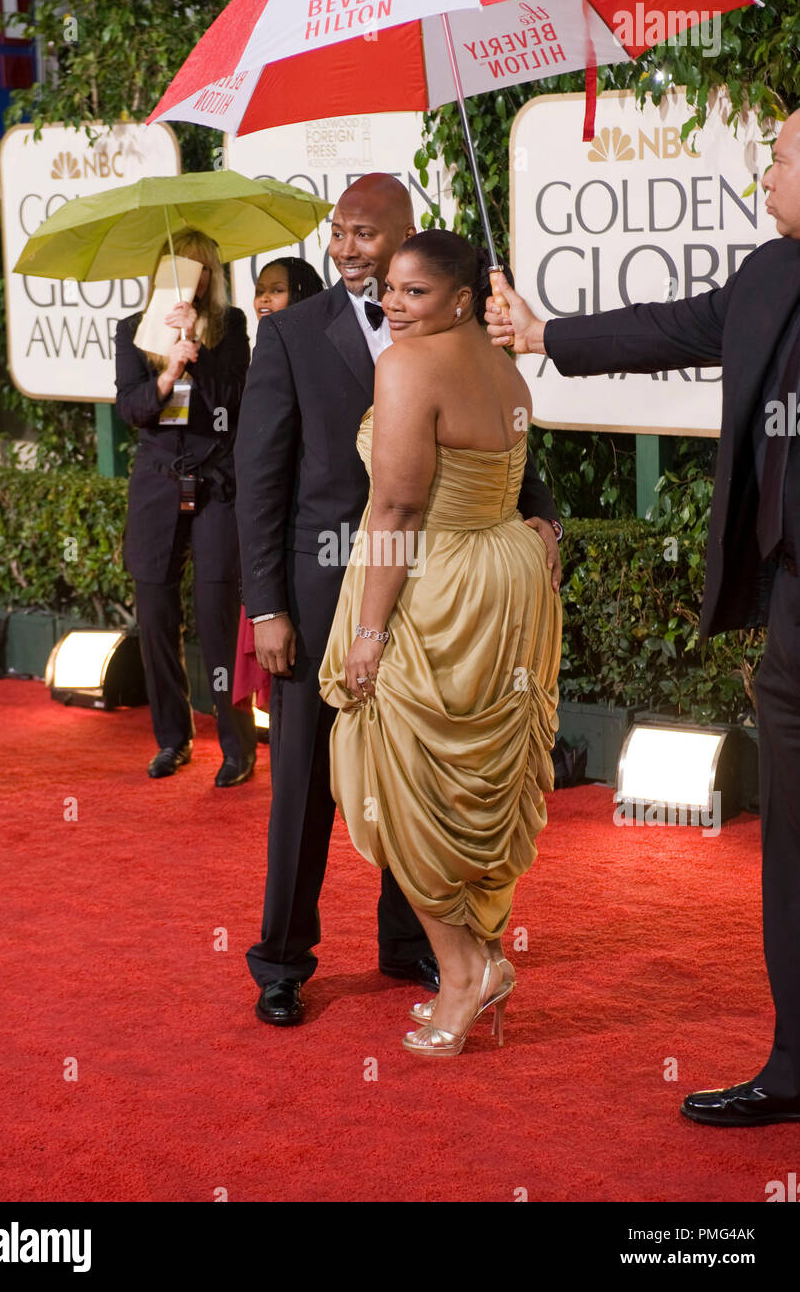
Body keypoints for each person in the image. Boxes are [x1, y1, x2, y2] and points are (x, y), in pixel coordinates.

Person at [486, 107, 800, 1125]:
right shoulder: (769, 275)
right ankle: (795, 1063)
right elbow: (676, 324)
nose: (763, 174)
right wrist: (542, 335)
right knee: (793, 848)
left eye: (780, 157)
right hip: (795, 613)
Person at [235, 174, 564, 1027]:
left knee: (417, 770)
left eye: (366, 235)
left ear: (407, 238)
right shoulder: (293, 334)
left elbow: (513, 445)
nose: (347, 249)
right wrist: (266, 604)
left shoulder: (469, 341)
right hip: (322, 593)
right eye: (337, 232)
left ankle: (409, 943)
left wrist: (540, 516)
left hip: (436, 591)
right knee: (307, 782)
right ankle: (282, 960)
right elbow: (260, 475)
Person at [319, 230, 562, 1056]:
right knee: (471, 782)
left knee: (403, 778)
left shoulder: (405, 366)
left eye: (413, 292)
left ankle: (462, 971)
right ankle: (480, 955)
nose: (391, 303)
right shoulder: (505, 367)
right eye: (388, 288)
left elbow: (394, 510)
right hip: (506, 574)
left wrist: (368, 630)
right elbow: (509, 478)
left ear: (461, 298)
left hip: (435, 586)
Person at [114, 229, 256, 787]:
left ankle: (236, 746)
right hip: (156, 487)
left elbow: (236, 404)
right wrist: (167, 371)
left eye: (201, 271)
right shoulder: (133, 331)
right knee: (154, 616)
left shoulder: (231, 327)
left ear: (213, 278)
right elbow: (132, 408)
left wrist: (197, 356)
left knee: (218, 619)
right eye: (180, 269)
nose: (190, 282)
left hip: (217, 482)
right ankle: (173, 740)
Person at [233, 257, 325, 721]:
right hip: (284, 552)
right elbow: (259, 470)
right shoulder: (263, 347)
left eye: (277, 290)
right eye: (260, 289)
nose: (264, 299)